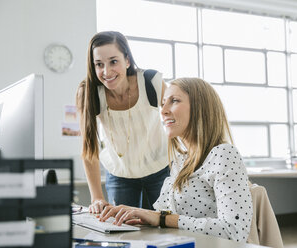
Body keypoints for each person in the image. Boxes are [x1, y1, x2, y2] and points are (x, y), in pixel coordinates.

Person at [99, 78, 253, 242]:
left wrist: (164, 219)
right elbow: (160, 215)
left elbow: (235, 231)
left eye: (174, 101)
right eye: (163, 103)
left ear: (200, 108)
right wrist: (135, 214)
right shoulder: (181, 161)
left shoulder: (224, 154)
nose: (163, 110)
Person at [76, 31, 169, 214]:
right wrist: (96, 198)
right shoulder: (89, 93)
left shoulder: (151, 82)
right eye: (99, 64)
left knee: (164, 228)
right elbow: (89, 148)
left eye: (113, 61)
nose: (106, 72)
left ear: (127, 60)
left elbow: (179, 122)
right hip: (120, 177)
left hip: (161, 171)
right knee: (124, 233)